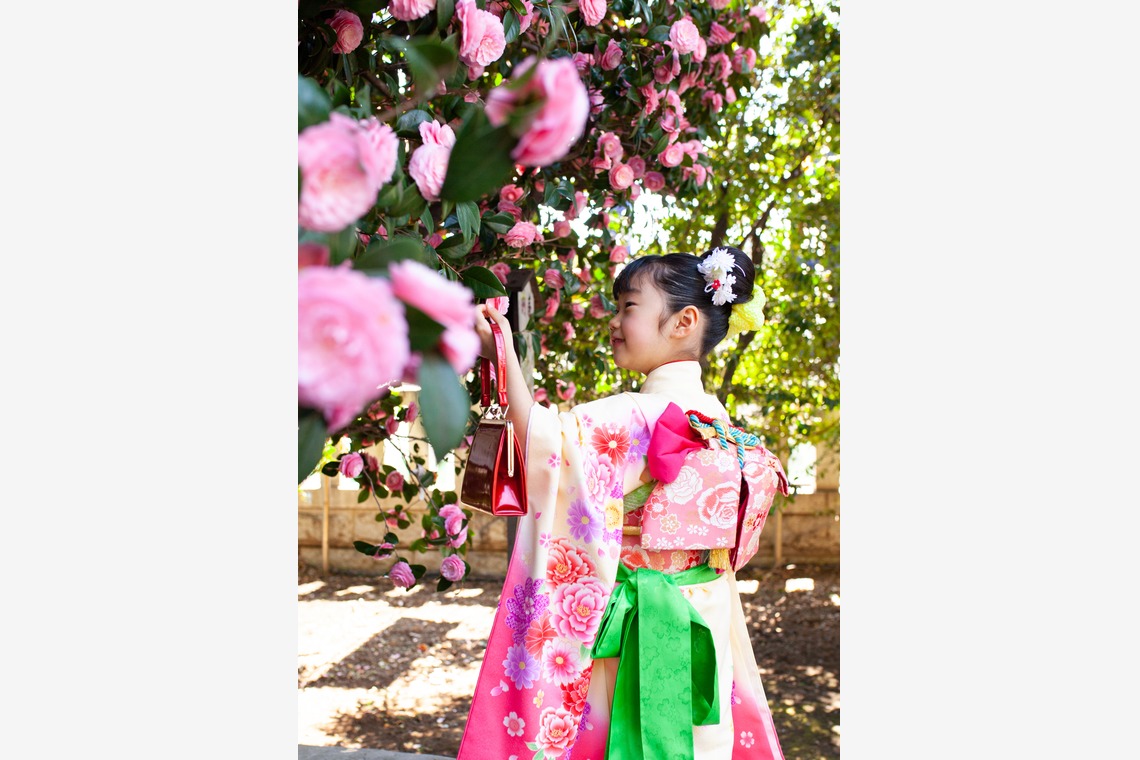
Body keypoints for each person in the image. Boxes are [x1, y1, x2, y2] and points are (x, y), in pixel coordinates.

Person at [457, 246, 790, 760]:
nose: (614, 322)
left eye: (628, 307)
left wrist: (499, 347)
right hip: (704, 607)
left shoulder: (632, 414)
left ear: (683, 322)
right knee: (701, 739)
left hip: (634, 615)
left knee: (621, 736)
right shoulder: (718, 418)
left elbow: (545, 444)